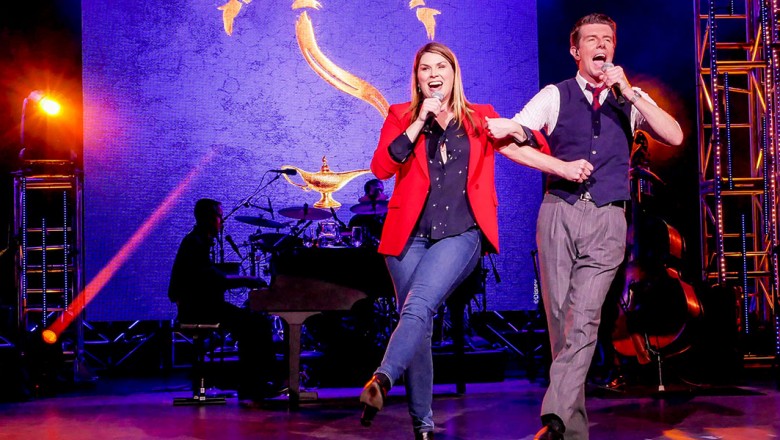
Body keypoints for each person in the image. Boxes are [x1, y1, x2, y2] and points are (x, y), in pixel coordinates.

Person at [358, 42, 582, 440]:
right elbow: (381, 167)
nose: (433, 74)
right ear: (417, 78)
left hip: (461, 233)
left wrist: (523, 133)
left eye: (440, 66)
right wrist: (418, 121)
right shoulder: (400, 115)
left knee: (419, 307)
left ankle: (382, 378)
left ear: (453, 73)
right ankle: (423, 427)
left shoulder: (480, 117)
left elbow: (534, 148)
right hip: (407, 238)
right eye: (425, 68)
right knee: (417, 323)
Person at [485, 13, 683, 440]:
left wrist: (630, 92)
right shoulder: (555, 95)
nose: (602, 45)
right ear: (576, 50)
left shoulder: (630, 97)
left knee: (585, 318)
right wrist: (557, 165)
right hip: (559, 212)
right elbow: (514, 136)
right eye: (592, 39)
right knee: (561, 323)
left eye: (608, 39)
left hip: (608, 217)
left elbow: (674, 135)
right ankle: (570, 431)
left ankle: (553, 416)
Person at [168, 198, 279, 406]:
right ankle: (254, 386)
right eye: (219, 216)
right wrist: (246, 279)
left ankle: (256, 384)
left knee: (253, 322)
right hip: (198, 309)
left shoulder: (198, 241)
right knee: (255, 324)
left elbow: (209, 276)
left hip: (203, 306)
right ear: (208, 218)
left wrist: (237, 280)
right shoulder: (195, 243)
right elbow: (209, 278)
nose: (222, 221)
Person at [347, 178, 388, 247]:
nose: (378, 192)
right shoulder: (357, 220)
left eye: (380, 190)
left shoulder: (389, 218)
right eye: (375, 190)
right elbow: (352, 238)